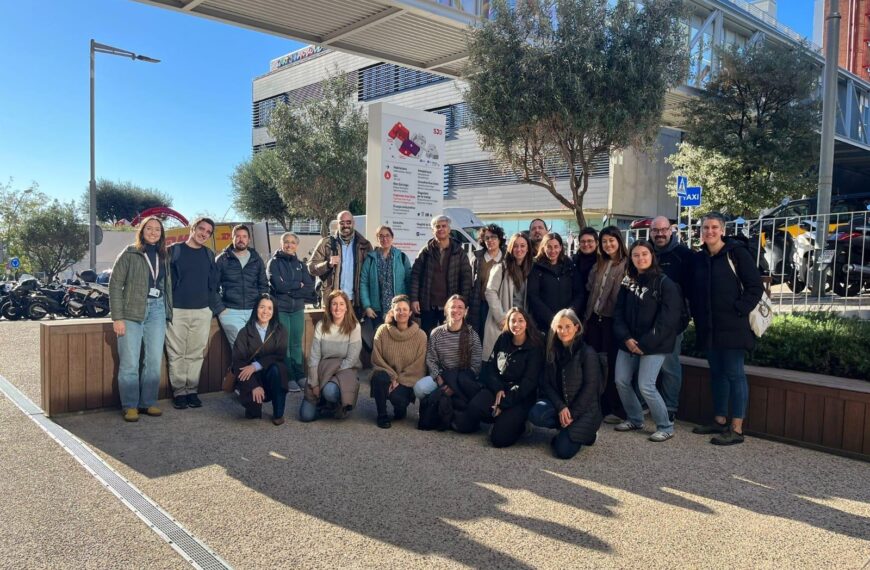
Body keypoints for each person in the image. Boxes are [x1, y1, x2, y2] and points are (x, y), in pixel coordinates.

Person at [689, 212, 763, 446]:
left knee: (735, 375)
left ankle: (737, 428)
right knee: (717, 373)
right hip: (710, 327)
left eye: (713, 227)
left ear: (722, 230)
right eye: (705, 228)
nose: (709, 231)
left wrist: (738, 309)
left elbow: (755, 286)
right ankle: (719, 420)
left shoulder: (736, 253)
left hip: (733, 327)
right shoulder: (700, 258)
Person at [612, 241, 682, 442]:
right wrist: (626, 338)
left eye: (644, 254)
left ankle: (665, 426)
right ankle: (635, 418)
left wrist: (643, 344)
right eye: (635, 255)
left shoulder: (665, 283)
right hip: (628, 342)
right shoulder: (628, 281)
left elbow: (667, 321)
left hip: (654, 344)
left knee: (646, 385)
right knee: (621, 381)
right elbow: (618, 313)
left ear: (652, 255)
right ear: (631, 258)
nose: (640, 258)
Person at [109, 216, 173, 422]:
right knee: (130, 362)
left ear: (162, 234)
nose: (153, 232)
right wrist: (117, 318)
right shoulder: (130, 253)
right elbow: (114, 285)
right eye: (150, 228)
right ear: (142, 231)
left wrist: (167, 311)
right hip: (131, 312)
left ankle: (148, 402)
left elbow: (166, 286)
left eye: (158, 229)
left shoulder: (164, 255)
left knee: (154, 360)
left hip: (156, 310)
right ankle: (130, 405)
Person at [452, 307, 543, 448]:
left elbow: (528, 382)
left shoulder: (534, 347)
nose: (516, 325)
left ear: (527, 323)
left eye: (520, 321)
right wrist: (498, 388)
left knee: (499, 440)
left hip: (519, 396)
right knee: (475, 407)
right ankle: (500, 419)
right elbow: (491, 368)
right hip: (498, 389)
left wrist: (504, 403)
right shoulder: (503, 338)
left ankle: (521, 425)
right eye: (513, 321)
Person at [528, 309, 604, 459]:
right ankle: (565, 427)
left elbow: (590, 388)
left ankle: (589, 436)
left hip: (584, 410)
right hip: (562, 405)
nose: (563, 331)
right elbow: (546, 383)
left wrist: (572, 414)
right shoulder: (552, 351)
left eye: (568, 326)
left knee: (563, 452)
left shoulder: (587, 353)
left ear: (577, 327)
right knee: (536, 413)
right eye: (559, 327)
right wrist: (561, 407)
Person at [165, 217, 218, 410]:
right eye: (201, 229)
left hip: (202, 311)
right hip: (177, 310)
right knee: (177, 354)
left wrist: (211, 308)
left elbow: (213, 284)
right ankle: (179, 392)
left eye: (208, 232)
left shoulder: (209, 255)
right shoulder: (174, 251)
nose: (204, 233)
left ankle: (192, 391)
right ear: (193, 229)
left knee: (195, 354)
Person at [415, 295, 483, 431]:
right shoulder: (436, 333)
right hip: (442, 376)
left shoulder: (472, 335)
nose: (456, 310)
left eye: (460, 307)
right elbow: (431, 359)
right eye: (452, 307)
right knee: (420, 388)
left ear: (466, 311)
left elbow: (476, 365)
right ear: (446, 310)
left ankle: (452, 412)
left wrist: (454, 385)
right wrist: (440, 381)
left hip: (462, 379)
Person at [649, 216, 693, 422]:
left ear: (671, 231)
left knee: (669, 366)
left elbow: (691, 291)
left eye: (663, 230)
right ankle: (650, 406)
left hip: (673, 322)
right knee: (647, 365)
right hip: (646, 321)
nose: (659, 234)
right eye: (655, 230)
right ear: (650, 232)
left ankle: (670, 407)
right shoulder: (644, 252)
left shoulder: (683, 255)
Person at [584, 226, 628, 423]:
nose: (608, 244)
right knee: (593, 362)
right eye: (604, 242)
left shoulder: (627, 265)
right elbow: (590, 289)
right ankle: (597, 405)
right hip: (593, 319)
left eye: (612, 240)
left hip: (613, 321)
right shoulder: (599, 264)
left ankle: (615, 408)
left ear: (619, 241)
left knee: (611, 365)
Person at [300, 290, 362, 422]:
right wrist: (315, 383)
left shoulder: (354, 327)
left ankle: (338, 404)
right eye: (334, 304)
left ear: (346, 307)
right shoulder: (321, 326)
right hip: (323, 369)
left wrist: (330, 375)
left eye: (341, 304)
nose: (338, 308)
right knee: (306, 416)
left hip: (345, 370)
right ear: (329, 307)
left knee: (330, 391)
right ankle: (324, 403)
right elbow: (314, 358)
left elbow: (351, 359)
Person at [267, 232, 316, 393]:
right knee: (285, 344)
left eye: (292, 242)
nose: (289, 245)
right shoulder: (273, 263)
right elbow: (278, 287)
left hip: (297, 310)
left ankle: (299, 374)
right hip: (281, 309)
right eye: (286, 242)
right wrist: (297, 285)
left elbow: (309, 288)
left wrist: (290, 288)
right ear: (281, 244)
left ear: (297, 245)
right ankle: (288, 377)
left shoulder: (301, 265)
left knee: (296, 343)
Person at [230, 294, 290, 425]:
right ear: (256, 308)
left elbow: (279, 355)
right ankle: (253, 404)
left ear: (274, 312)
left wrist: (256, 365)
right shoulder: (244, 332)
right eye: (262, 307)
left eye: (269, 308)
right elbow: (238, 361)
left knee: (278, 369)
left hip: (271, 374)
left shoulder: (281, 330)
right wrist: (254, 386)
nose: (265, 312)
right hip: (252, 377)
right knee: (252, 415)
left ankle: (278, 413)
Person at [369, 295, 428, 429]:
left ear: (410, 312)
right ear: (392, 312)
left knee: (398, 399)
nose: (401, 312)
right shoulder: (382, 331)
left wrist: (399, 379)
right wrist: (392, 377)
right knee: (379, 377)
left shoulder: (420, 336)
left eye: (404, 309)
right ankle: (382, 416)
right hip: (387, 375)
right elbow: (376, 358)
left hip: (407, 379)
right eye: (398, 309)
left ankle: (400, 409)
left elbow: (419, 366)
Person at [409, 215, 473, 334]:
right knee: (427, 336)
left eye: (444, 226)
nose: (441, 229)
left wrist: (464, 303)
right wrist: (414, 299)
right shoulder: (426, 251)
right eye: (437, 226)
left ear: (449, 229)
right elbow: (415, 275)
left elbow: (466, 279)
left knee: (451, 336)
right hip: (428, 304)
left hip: (451, 306)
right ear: (433, 230)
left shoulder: (459, 252)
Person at [307, 210, 372, 315]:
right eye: (342, 223)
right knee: (333, 331)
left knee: (352, 331)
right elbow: (311, 267)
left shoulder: (365, 245)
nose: (345, 225)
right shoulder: (326, 243)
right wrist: (327, 264)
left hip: (354, 302)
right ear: (337, 224)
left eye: (348, 222)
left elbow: (370, 275)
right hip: (333, 302)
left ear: (353, 223)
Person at [215, 224, 269, 348]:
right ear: (232, 238)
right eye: (237, 236)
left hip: (254, 311)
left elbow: (263, 285)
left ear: (249, 239)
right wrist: (222, 310)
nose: (241, 239)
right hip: (230, 312)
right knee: (240, 350)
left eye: (244, 236)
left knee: (257, 349)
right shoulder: (222, 259)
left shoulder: (256, 259)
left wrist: (262, 308)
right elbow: (212, 287)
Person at [483, 233, 532, 358]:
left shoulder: (532, 269)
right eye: (515, 246)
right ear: (510, 248)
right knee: (499, 358)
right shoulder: (501, 268)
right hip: (503, 321)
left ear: (528, 248)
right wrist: (501, 318)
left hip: (523, 323)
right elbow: (490, 291)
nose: (519, 249)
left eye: (522, 246)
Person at [527, 232, 585, 332]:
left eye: (556, 247)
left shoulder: (570, 266)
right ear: (543, 247)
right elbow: (533, 296)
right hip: (545, 324)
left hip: (568, 322)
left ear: (561, 247)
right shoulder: (535, 267)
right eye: (549, 247)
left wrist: (570, 313)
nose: (553, 250)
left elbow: (579, 293)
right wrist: (552, 318)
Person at [359, 225, 412, 329]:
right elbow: (363, 283)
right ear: (377, 239)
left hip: (398, 309)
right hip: (376, 310)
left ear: (392, 237)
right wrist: (367, 306)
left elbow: (409, 281)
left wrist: (408, 305)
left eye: (387, 235)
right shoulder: (370, 259)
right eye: (381, 236)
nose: (384, 239)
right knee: (380, 338)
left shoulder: (401, 257)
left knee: (398, 339)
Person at [469, 223, 505, 337]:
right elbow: (470, 283)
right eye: (487, 238)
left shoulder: (507, 259)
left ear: (499, 239)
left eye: (493, 237)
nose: (490, 240)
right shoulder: (477, 259)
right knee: (479, 336)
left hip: (501, 304)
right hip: (481, 305)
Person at [571, 227, 599, 315]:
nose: (586, 244)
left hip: (595, 309)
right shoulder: (572, 261)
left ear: (597, 242)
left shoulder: (602, 262)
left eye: (590, 241)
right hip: (575, 307)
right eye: (583, 241)